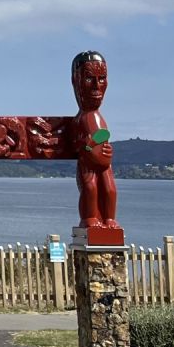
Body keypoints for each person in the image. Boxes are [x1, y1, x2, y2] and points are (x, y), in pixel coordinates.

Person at [71, 51, 118, 232]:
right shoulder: (80, 119)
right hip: (88, 165)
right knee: (90, 189)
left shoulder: (96, 116)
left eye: (102, 78)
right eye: (90, 79)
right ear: (76, 81)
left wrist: (106, 150)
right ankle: (90, 217)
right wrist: (87, 147)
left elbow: (102, 136)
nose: (97, 86)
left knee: (110, 190)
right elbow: (76, 142)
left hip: (104, 167)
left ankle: (109, 218)